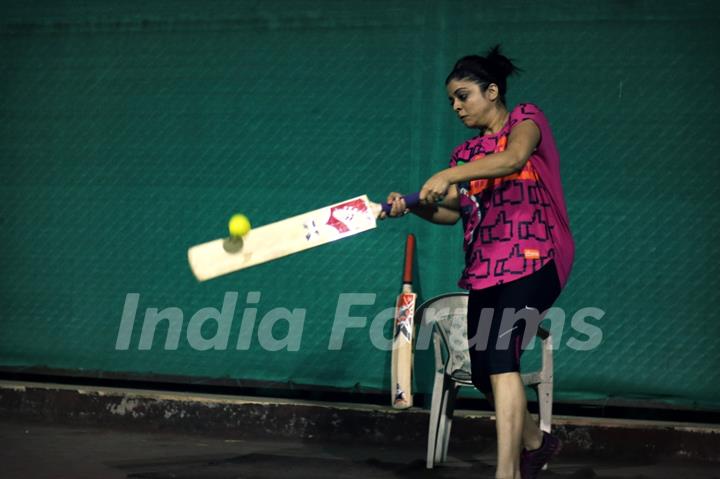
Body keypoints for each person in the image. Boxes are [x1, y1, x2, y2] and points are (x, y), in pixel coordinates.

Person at [382, 45, 574, 479]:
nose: (456, 106)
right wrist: (412, 206)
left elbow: (513, 159)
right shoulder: (464, 155)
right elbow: (451, 213)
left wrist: (448, 177)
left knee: (501, 357)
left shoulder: (526, 119)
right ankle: (536, 443)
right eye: (451, 99)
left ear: (491, 91)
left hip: (538, 255)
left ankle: (507, 473)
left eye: (463, 95)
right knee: (486, 370)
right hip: (487, 268)